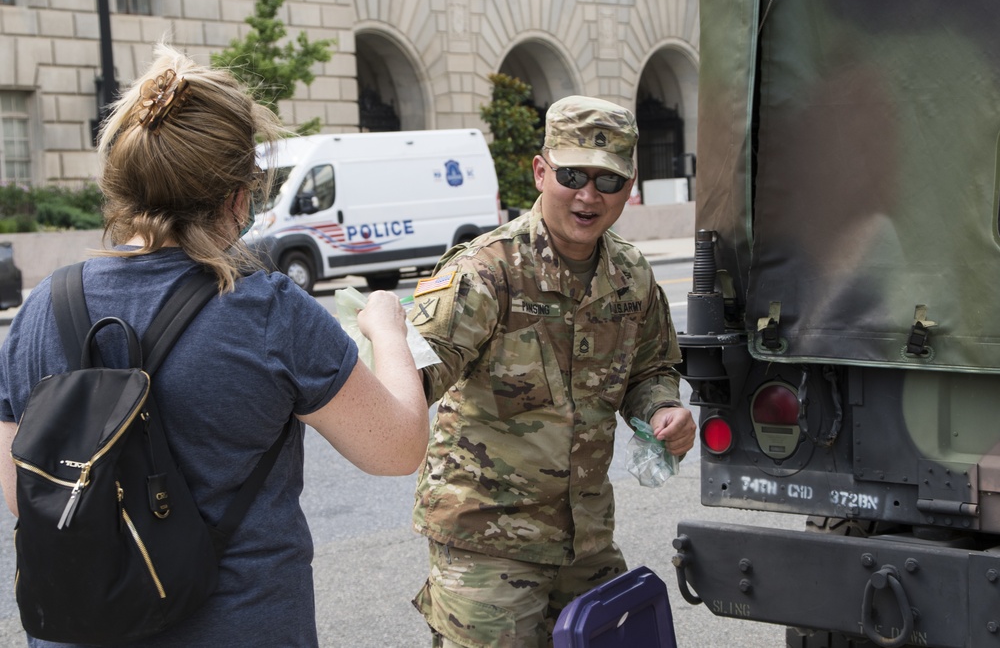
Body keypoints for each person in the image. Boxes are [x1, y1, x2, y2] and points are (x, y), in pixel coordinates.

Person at [0, 43, 429, 647]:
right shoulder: (267, 311)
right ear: (237, 196)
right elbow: (398, 447)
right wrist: (387, 329)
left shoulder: (41, 309)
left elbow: (28, 496)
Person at [407, 95, 697, 647]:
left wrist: (662, 408)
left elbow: (651, 367)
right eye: (572, 175)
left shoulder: (631, 274)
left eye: (607, 181)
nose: (589, 196)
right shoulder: (486, 272)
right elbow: (414, 376)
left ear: (628, 187)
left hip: (584, 540)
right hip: (486, 545)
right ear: (542, 171)